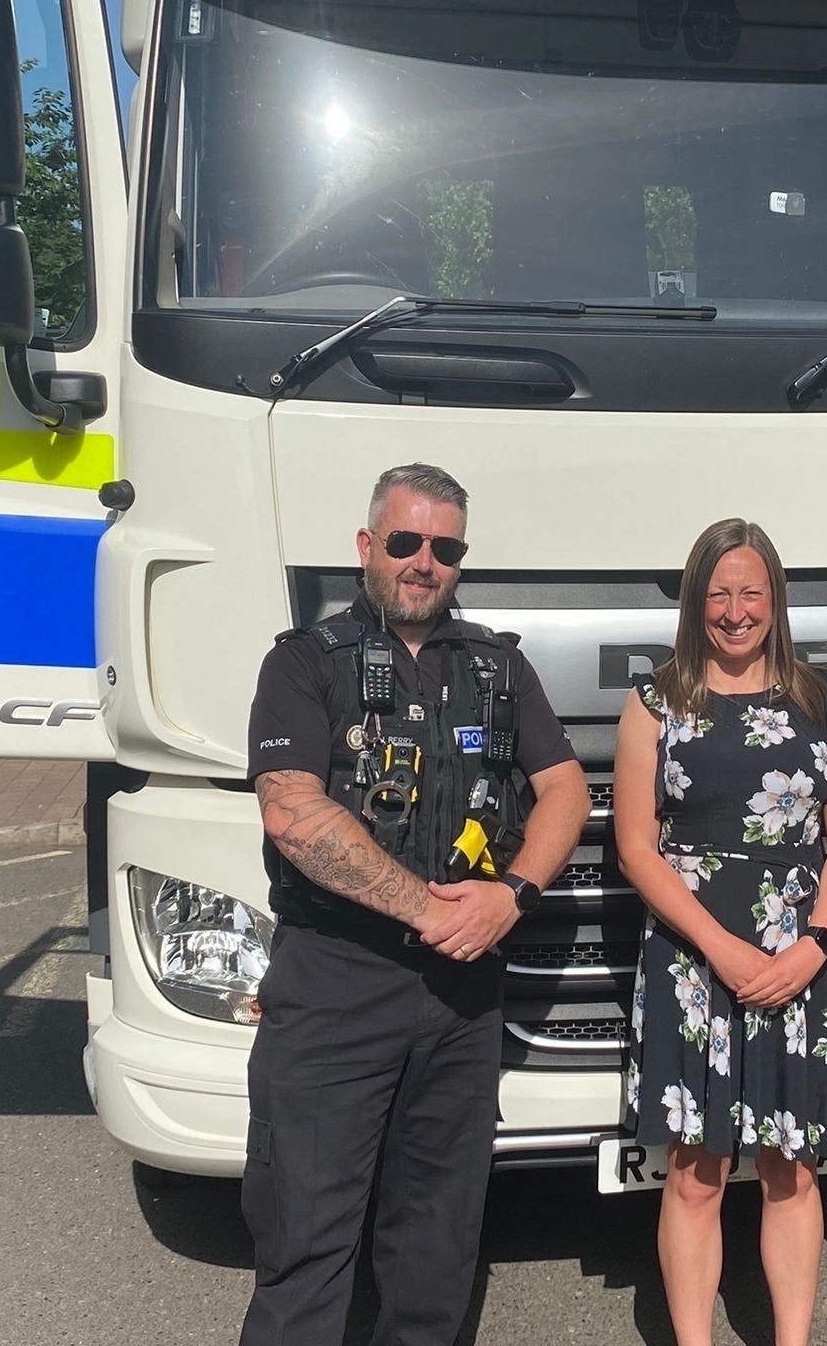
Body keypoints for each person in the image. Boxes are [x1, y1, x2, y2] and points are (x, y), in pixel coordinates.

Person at [239, 463, 590, 1346]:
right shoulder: (302, 664)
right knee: (305, 1251)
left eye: (445, 547)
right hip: (335, 983)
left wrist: (511, 896)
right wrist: (427, 910)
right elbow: (293, 811)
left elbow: (565, 792)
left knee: (437, 1257)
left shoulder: (499, 667)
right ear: (368, 548)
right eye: (405, 542)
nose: (423, 562)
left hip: (461, 1000)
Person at [614, 517, 827, 1346]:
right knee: (697, 1174)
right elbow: (635, 845)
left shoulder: (819, 696)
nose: (735, 611)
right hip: (695, 963)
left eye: (750, 593)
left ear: (775, 600)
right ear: (696, 602)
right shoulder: (656, 701)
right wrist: (722, 948)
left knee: (792, 1168)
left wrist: (816, 945)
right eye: (718, 594)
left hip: (804, 960)